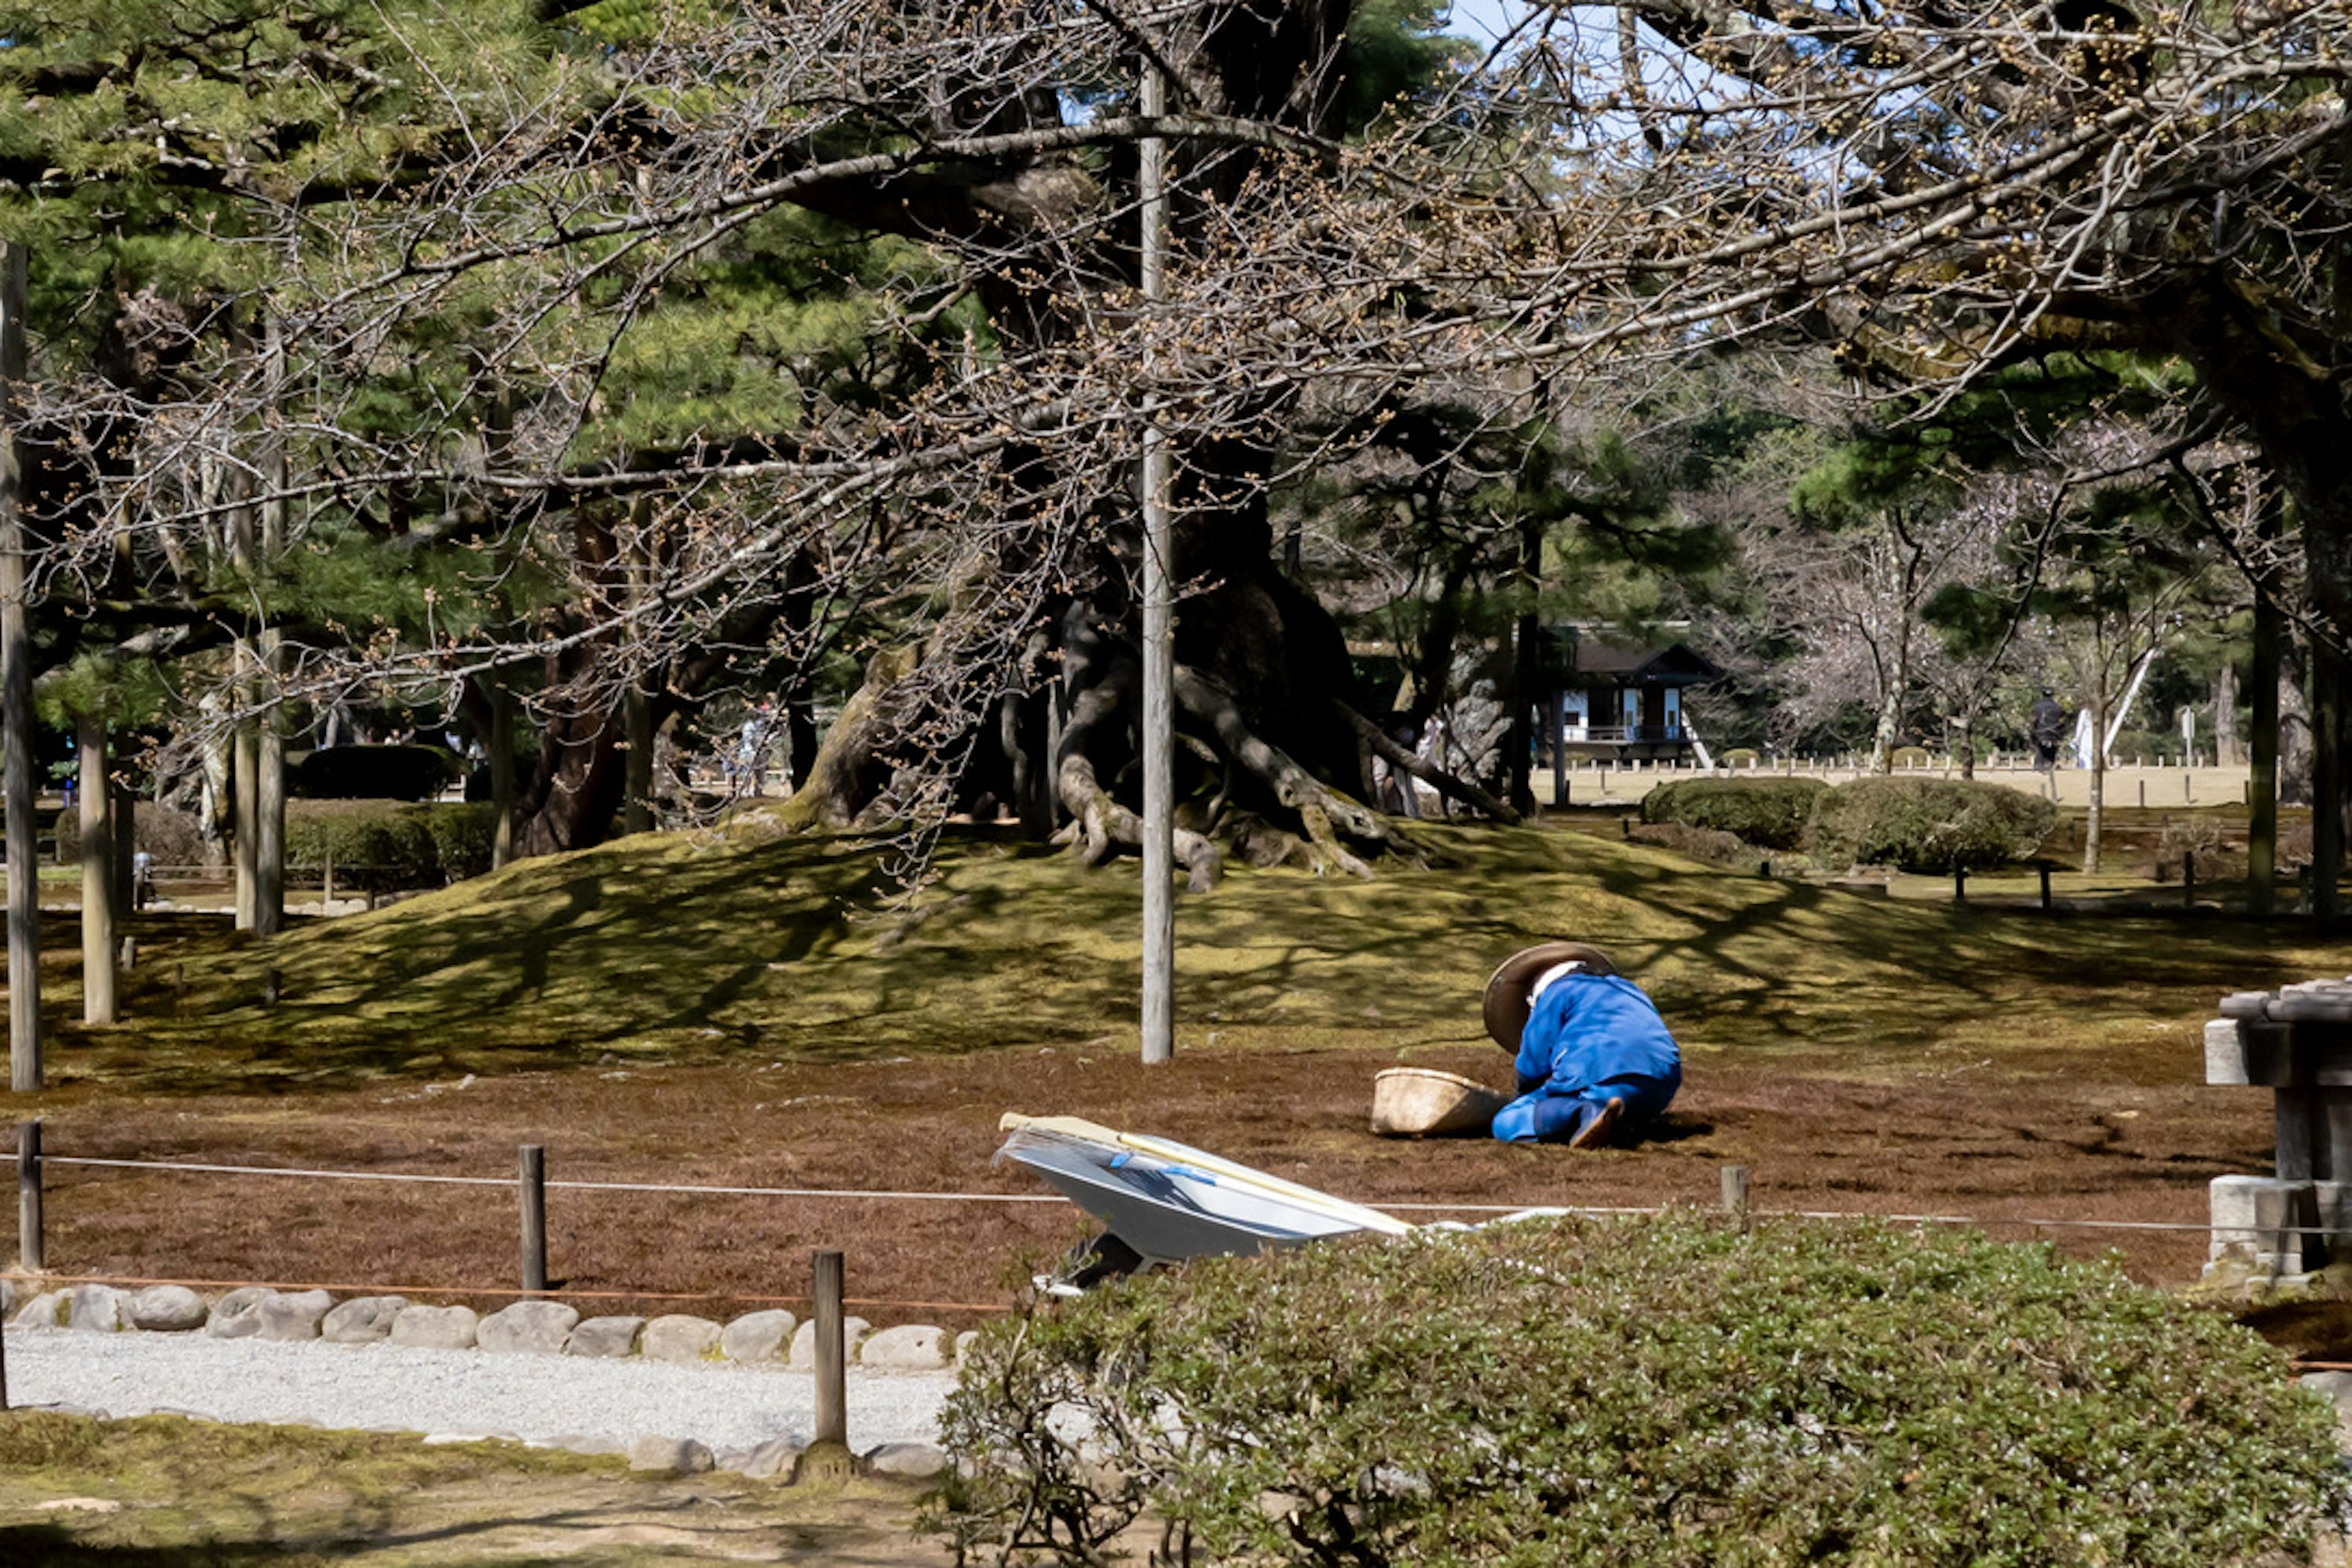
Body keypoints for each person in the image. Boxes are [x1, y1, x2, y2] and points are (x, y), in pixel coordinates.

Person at [1481, 941, 1681, 1149]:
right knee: (1628, 1104)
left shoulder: (1557, 991)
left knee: (1506, 1122)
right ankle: (1623, 1124)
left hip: (1601, 1075)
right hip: (1663, 1083)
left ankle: (1585, 1111)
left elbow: (1532, 1064)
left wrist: (1521, 1098)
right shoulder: (1629, 990)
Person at [2029, 688, 2067, 772]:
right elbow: (2063, 720)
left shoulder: (2037, 707)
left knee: (2038, 746)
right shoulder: (2058, 707)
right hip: (2054, 734)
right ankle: (2050, 763)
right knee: (2053, 747)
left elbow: (2032, 720)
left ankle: (2039, 764)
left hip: (2040, 733)